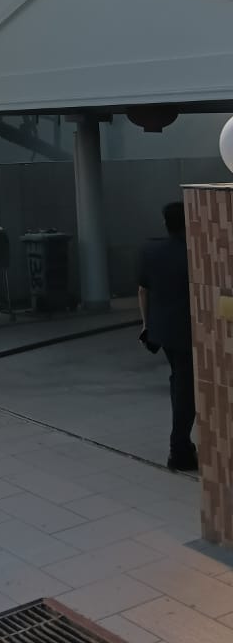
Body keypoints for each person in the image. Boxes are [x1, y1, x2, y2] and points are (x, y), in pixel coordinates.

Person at [138, 201, 197, 472]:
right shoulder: (193, 252)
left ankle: (182, 446)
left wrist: (146, 325)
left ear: (166, 223)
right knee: (185, 389)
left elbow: (143, 290)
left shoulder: (150, 250)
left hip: (162, 332)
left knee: (179, 381)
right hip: (187, 332)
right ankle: (179, 449)